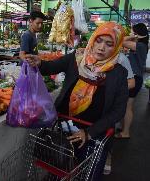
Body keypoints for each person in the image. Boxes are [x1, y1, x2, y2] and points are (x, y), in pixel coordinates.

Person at [25, 22, 128, 180]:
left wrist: (89, 133)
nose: (101, 48)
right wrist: (39, 63)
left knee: (86, 173)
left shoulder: (119, 73)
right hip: (64, 126)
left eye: (109, 44)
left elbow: (118, 110)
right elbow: (51, 66)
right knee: (58, 166)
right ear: (92, 40)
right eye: (99, 41)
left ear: (116, 47)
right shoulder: (76, 58)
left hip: (94, 134)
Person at [116, 23, 149, 139]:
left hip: (135, 78)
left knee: (128, 106)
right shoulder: (141, 45)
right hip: (134, 77)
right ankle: (122, 126)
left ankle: (125, 132)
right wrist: (135, 35)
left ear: (137, 33)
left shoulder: (140, 45)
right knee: (125, 104)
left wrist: (132, 35)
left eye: (133, 31)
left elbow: (120, 41)